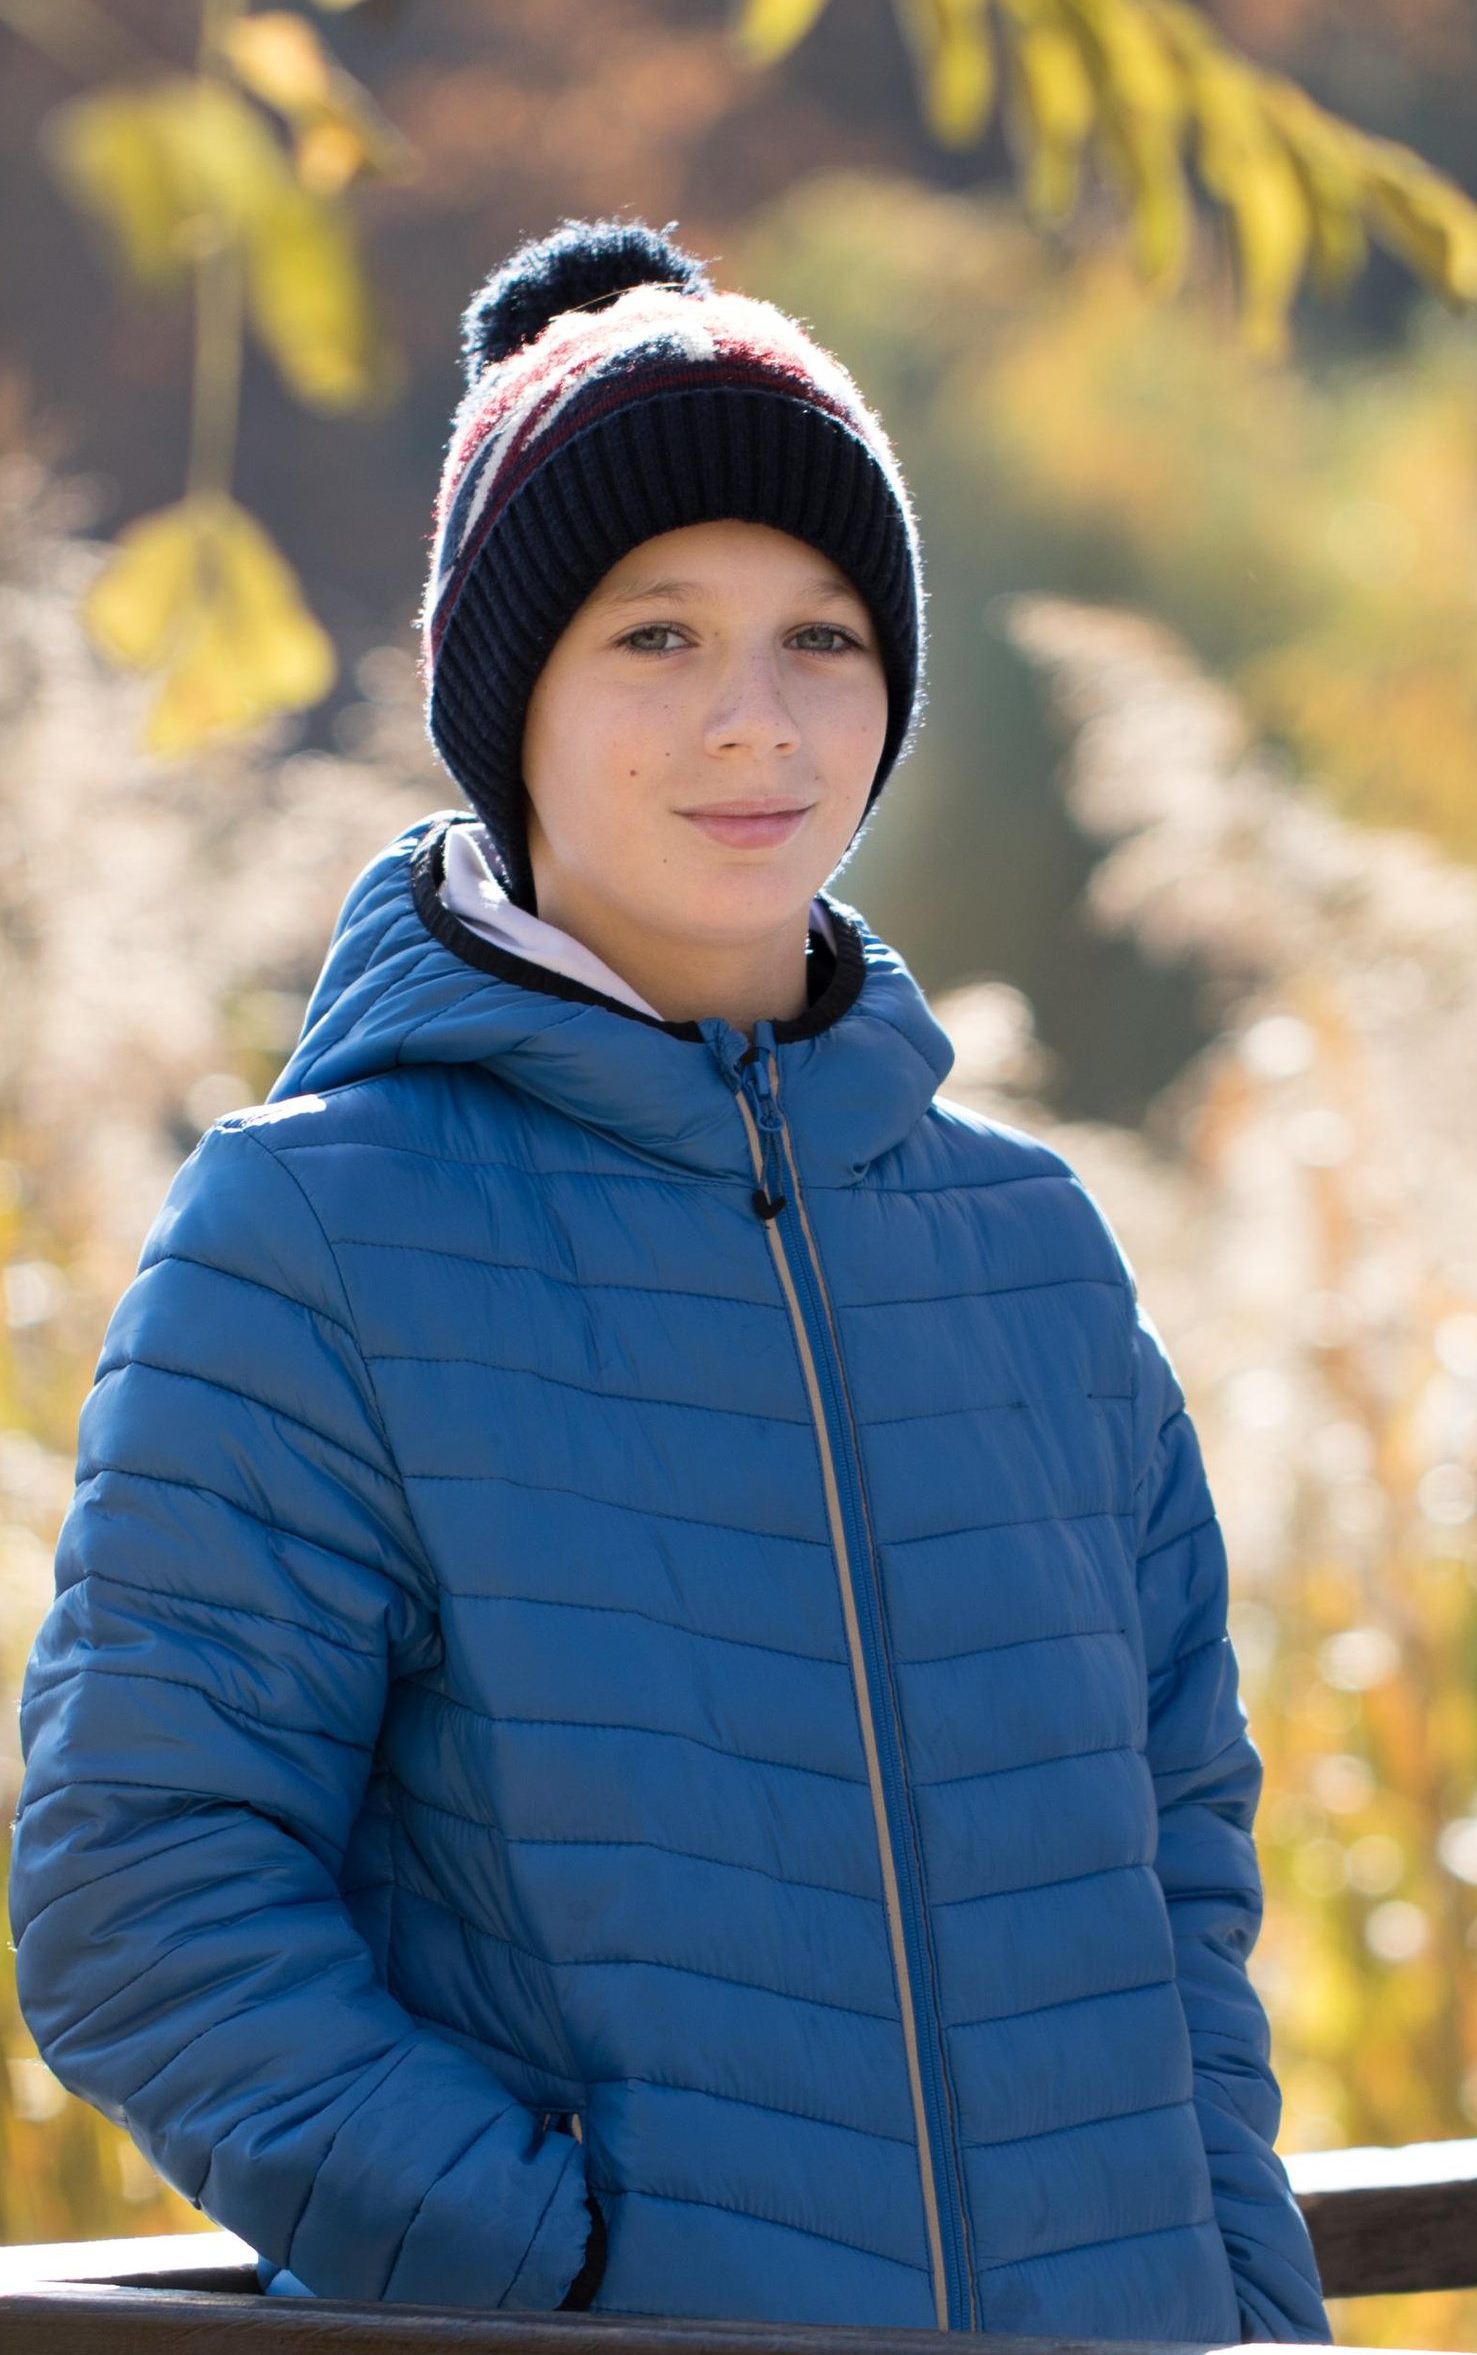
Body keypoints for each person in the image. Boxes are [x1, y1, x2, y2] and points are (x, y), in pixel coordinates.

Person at [8, 219, 1331, 2342]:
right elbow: (137, 1896)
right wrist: (572, 2281)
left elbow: (1172, 1870)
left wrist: (1247, 2303)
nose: (754, 718)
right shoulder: (317, 1235)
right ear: (502, 692)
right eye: (653, 636)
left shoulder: (1029, 1253)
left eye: (822, 635)